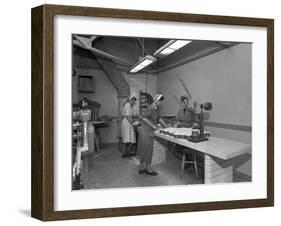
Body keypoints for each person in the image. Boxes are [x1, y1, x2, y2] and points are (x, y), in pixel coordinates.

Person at [137, 94, 168, 176]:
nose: (160, 103)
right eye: (160, 101)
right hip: (146, 131)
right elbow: (143, 117)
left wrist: (166, 127)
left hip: (146, 131)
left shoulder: (154, 108)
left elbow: (158, 118)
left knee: (144, 150)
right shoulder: (151, 107)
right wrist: (153, 126)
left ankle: (141, 167)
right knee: (147, 150)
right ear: (156, 100)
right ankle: (148, 169)